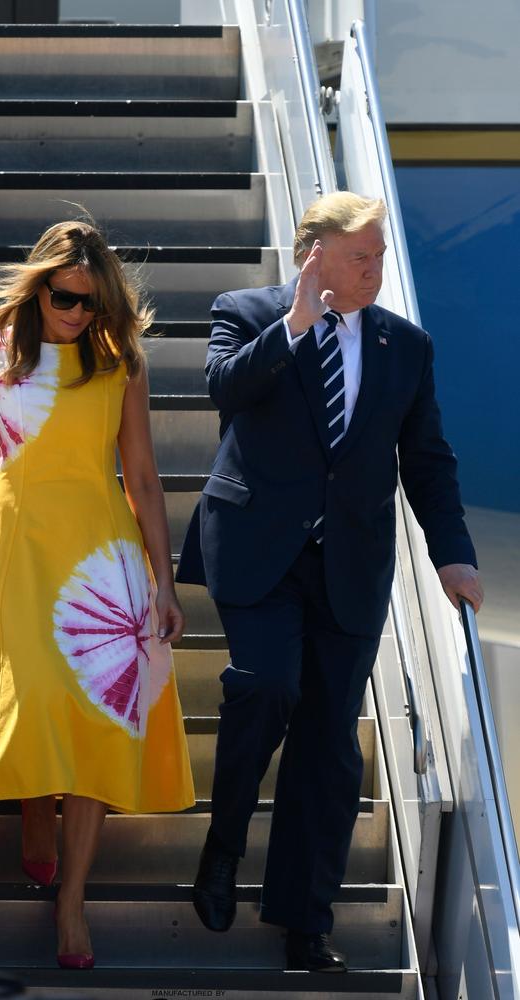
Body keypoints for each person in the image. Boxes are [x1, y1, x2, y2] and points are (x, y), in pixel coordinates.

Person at [176, 191, 483, 972]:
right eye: (361, 256)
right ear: (314, 254)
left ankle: (304, 920)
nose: (376, 268)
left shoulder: (404, 346)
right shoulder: (247, 312)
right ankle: (223, 842)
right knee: (267, 686)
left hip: (350, 565)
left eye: (379, 255)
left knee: (329, 744)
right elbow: (223, 390)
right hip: (256, 551)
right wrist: (296, 327)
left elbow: (428, 460)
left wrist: (453, 553)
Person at [0, 218, 195, 969]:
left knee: (95, 722)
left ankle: (73, 905)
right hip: (18, 553)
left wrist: (164, 581)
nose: (80, 314)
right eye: (67, 298)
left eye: (94, 304)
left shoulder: (117, 361)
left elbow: (147, 478)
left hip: (102, 555)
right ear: (39, 288)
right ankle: (35, 813)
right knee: (30, 696)